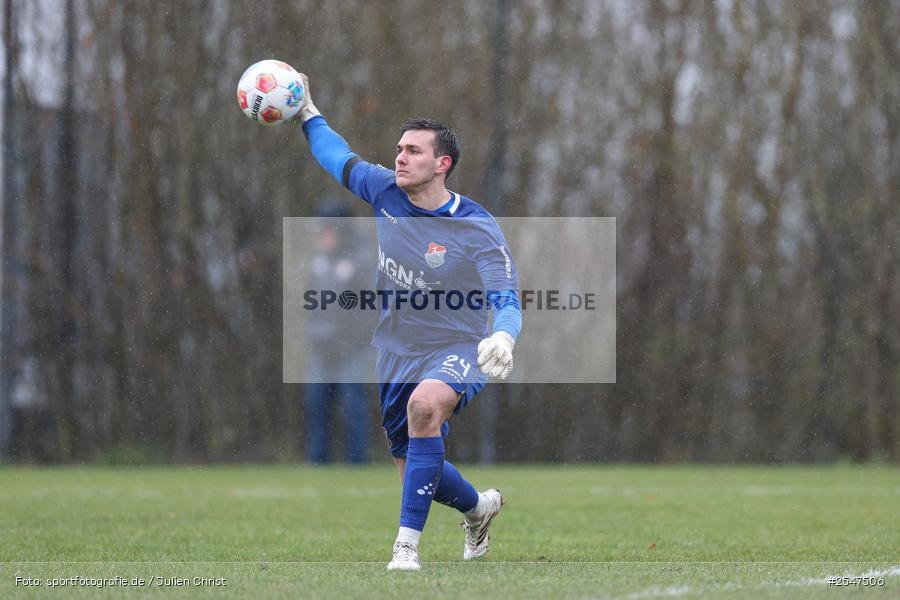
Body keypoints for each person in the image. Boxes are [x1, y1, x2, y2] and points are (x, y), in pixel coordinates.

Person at [296, 73, 522, 571]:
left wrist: (504, 334)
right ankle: (480, 508)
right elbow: (337, 157)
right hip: (396, 350)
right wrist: (308, 115)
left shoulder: (475, 226)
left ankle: (406, 549)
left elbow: (506, 294)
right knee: (417, 467)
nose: (400, 157)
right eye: (399, 148)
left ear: (442, 164)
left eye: (414, 151)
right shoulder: (384, 191)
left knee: (425, 407)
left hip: (458, 347)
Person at [304, 202, 374, 464]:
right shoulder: (319, 261)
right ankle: (317, 461)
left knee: (353, 404)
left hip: (353, 348)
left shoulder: (363, 260)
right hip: (323, 348)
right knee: (316, 403)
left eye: (327, 230)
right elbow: (312, 304)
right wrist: (316, 333)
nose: (322, 236)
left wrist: (346, 337)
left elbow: (369, 308)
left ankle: (357, 462)